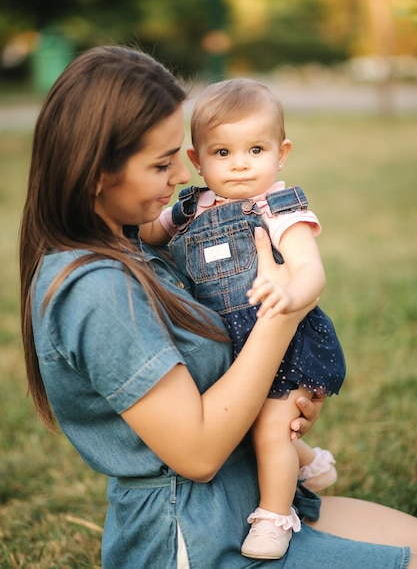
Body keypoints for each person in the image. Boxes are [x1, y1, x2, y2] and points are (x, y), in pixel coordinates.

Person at [19, 45, 416, 569]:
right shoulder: (95, 290)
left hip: (247, 496)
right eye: (163, 164)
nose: (183, 177)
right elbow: (198, 455)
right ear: (97, 173)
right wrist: (283, 318)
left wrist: (284, 395)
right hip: (196, 536)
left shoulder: (136, 244)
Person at [139, 78, 345, 559]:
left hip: (288, 344)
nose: (241, 163)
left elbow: (311, 270)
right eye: (222, 152)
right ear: (196, 161)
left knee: (271, 426)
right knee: (249, 423)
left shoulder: (278, 207)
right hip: (233, 350)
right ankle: (311, 463)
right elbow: (149, 232)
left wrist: (288, 292)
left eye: (256, 149)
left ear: (282, 152)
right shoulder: (189, 208)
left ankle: (274, 518)